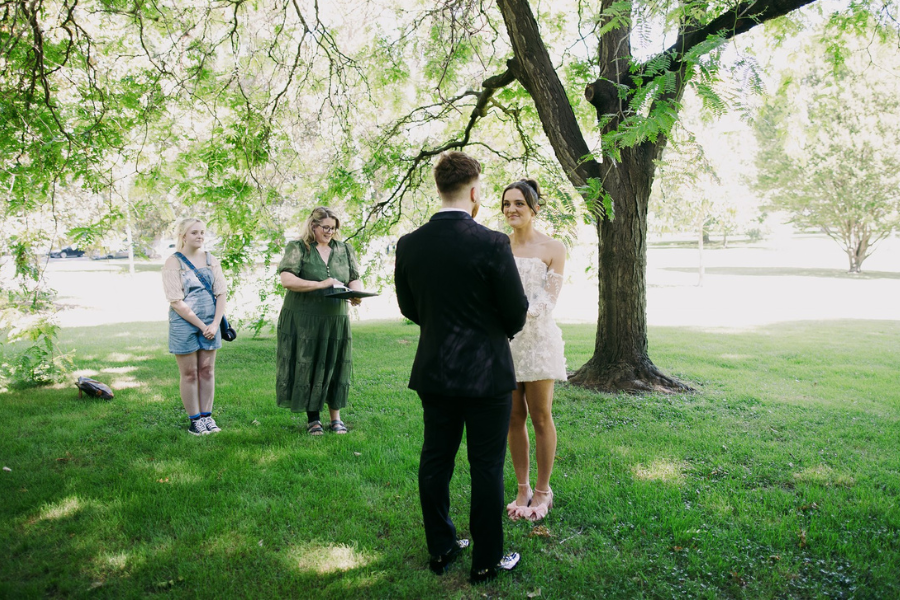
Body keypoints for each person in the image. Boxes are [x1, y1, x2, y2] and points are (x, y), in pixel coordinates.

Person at [394, 151, 529, 584]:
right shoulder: (492, 242)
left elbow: (409, 307)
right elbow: (515, 312)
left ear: (439, 189)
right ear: (474, 192)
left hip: (435, 371)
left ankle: (442, 549)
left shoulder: (409, 244)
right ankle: (487, 559)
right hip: (487, 373)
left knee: (436, 460)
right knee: (486, 466)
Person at [501, 179, 567, 522]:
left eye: (519, 204)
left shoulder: (554, 247)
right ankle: (523, 487)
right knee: (513, 416)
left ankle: (543, 491)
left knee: (540, 415)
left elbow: (549, 297)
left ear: (534, 208)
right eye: (507, 203)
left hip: (538, 340)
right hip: (505, 343)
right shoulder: (497, 246)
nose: (512, 209)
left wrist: (519, 315)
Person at [276, 206, 363, 435]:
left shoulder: (344, 249)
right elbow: (287, 280)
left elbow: (354, 278)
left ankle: (336, 418)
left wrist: (356, 293)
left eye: (333, 228)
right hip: (304, 318)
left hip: (336, 318)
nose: (330, 232)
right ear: (313, 226)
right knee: (308, 363)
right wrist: (320, 285)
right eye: (325, 227)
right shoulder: (298, 248)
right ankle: (313, 418)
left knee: (335, 364)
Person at [162, 218, 228, 436]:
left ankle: (207, 417)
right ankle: (195, 421)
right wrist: (202, 326)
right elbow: (176, 301)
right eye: (194, 233)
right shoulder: (173, 262)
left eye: (202, 232)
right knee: (190, 373)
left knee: (207, 371)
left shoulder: (211, 260)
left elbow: (221, 293)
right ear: (183, 236)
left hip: (211, 322)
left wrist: (215, 323)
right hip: (185, 324)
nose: (200, 236)